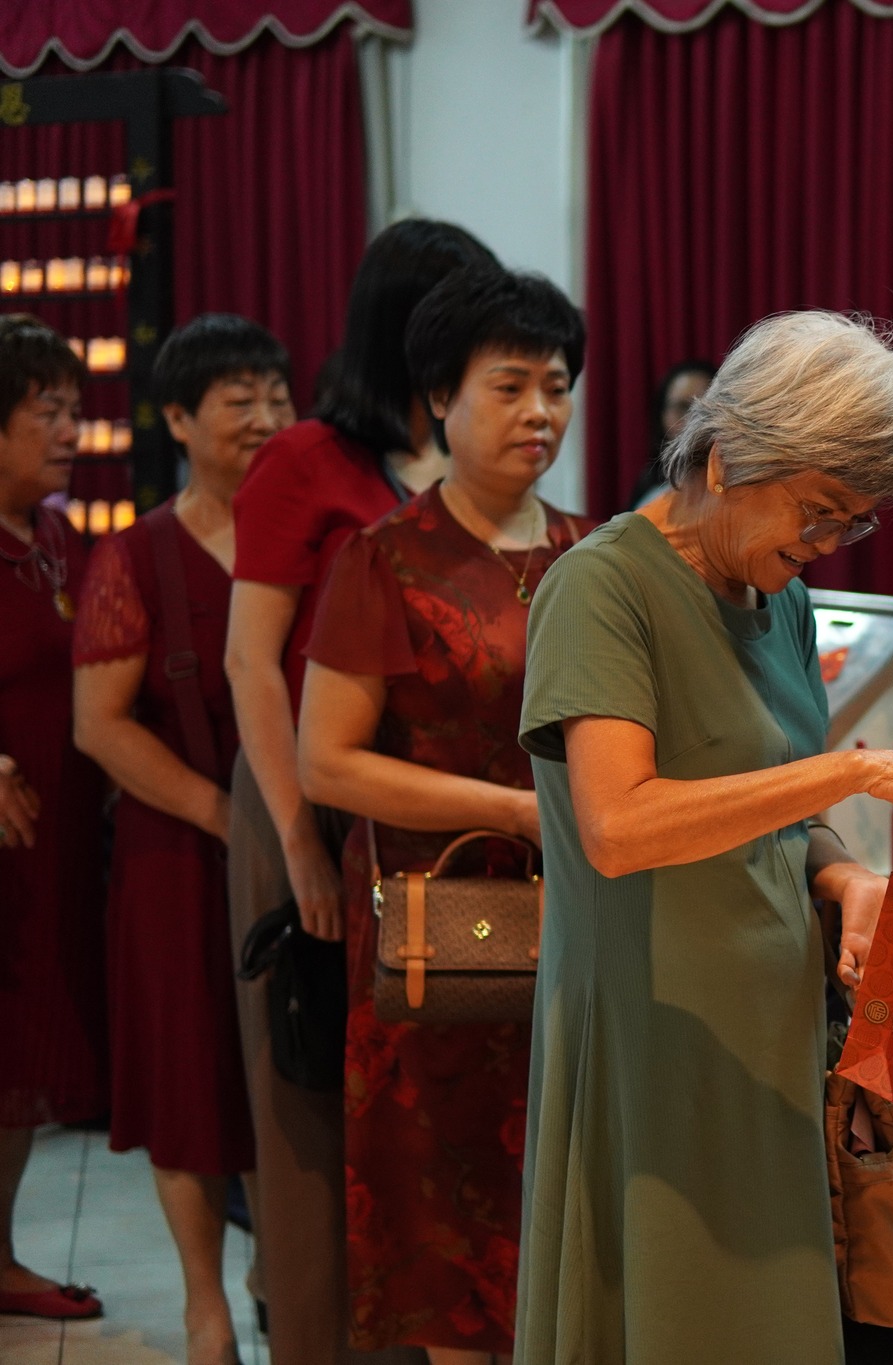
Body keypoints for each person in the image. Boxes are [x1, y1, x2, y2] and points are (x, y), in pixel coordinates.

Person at [514, 311, 893, 1364]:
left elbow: (783, 805)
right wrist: (857, 769)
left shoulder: (773, 594)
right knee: (670, 1317)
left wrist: (843, 879)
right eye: (819, 511)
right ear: (728, 454)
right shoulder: (600, 589)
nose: (826, 543)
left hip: (770, 1037)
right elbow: (617, 825)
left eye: (851, 524)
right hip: (655, 1038)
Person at [298, 266, 593, 1363]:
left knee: (565, 1197)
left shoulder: (595, 556)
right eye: (508, 385)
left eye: (555, 386)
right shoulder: (385, 559)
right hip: (438, 934)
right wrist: (514, 812)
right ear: (437, 397)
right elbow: (325, 764)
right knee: (446, 1213)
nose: (539, 413)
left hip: (583, 922)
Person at [222, 217, 497, 1365]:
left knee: (428, 1110)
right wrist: (296, 843)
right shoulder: (305, 461)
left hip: (419, 815)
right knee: (308, 1107)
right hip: (305, 794)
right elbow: (252, 659)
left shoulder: (462, 462)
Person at [71, 315, 293, 1363]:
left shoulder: (311, 537)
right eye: (237, 401)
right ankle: (205, 1308)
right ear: (176, 419)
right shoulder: (135, 553)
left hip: (296, 857)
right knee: (187, 1084)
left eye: (276, 398)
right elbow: (99, 724)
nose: (264, 418)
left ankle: (283, 1277)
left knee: (286, 1079)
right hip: (175, 863)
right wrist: (222, 820)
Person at [0, 314, 108, 1322]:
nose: (72, 429)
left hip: (55, 848)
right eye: (48, 411)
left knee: (23, 1055)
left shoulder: (59, 536)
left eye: (75, 409)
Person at [627, 358, 716, 509]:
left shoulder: (743, 490)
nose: (692, 420)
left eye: (704, 409)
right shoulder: (650, 499)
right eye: (682, 408)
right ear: (662, 416)